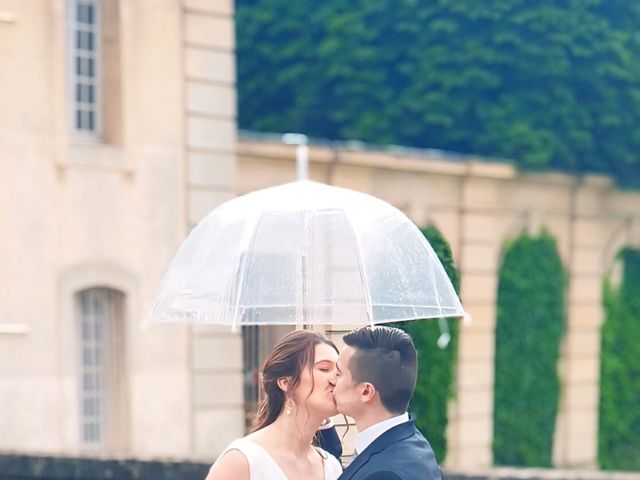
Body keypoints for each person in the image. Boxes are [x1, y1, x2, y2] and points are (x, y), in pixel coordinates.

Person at [206, 330, 343, 480]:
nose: (335, 380)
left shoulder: (331, 467)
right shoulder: (242, 461)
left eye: (339, 372)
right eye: (324, 369)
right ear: (286, 383)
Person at [333, 326, 442, 480]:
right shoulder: (413, 443)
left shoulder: (385, 474)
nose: (332, 380)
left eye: (338, 373)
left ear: (366, 391)